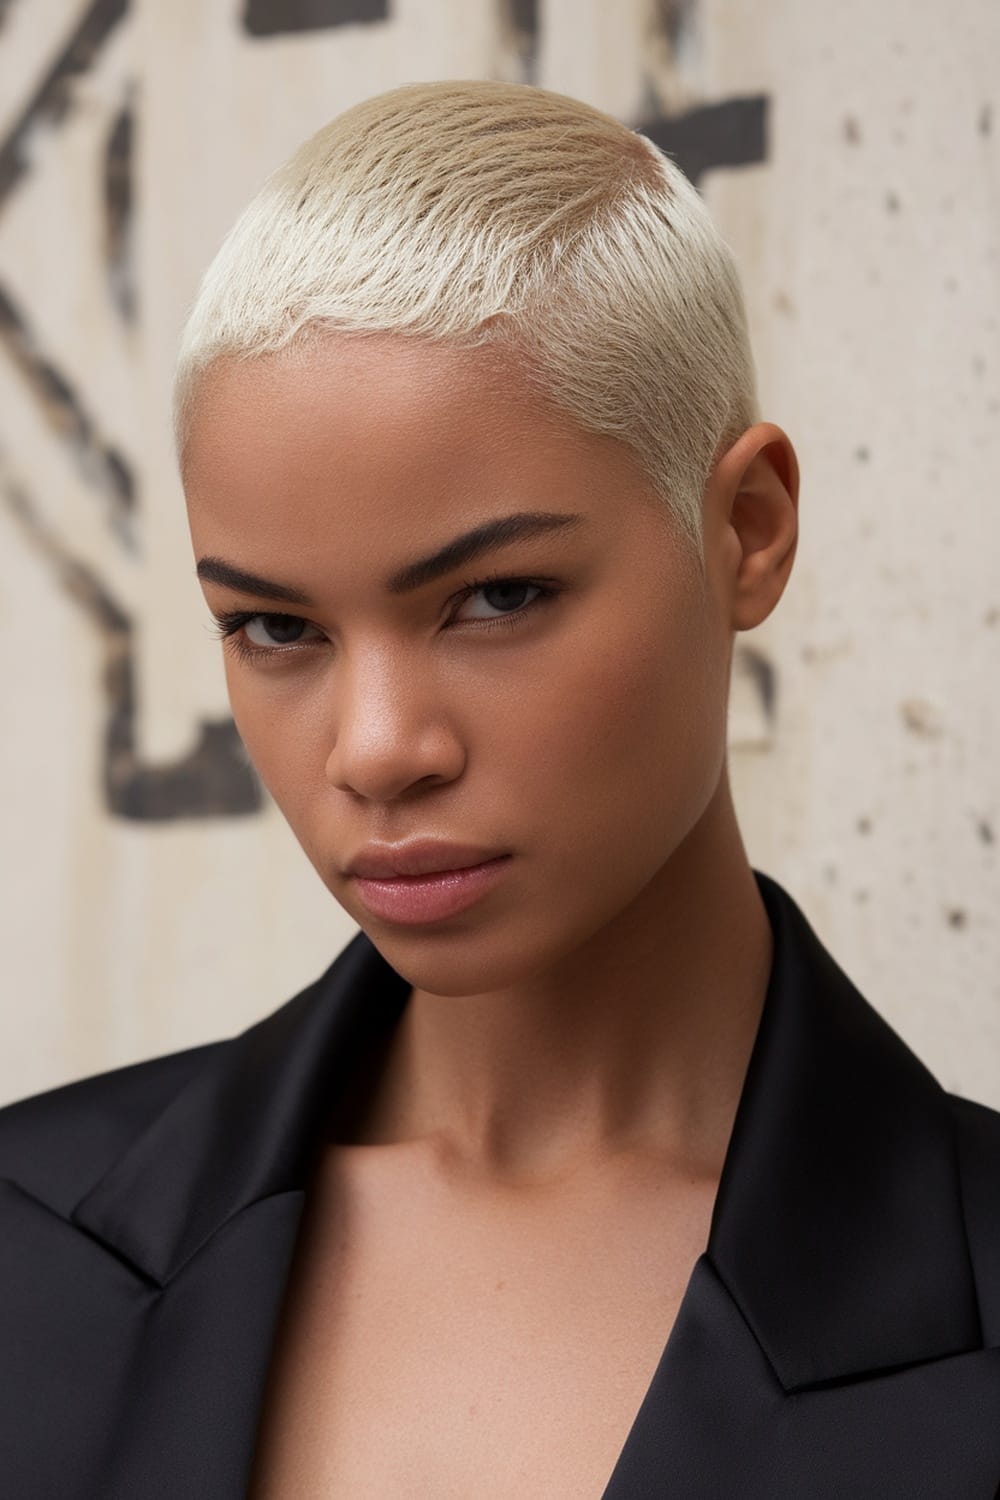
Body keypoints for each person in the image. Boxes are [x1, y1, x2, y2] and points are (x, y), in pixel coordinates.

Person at [0, 79, 998, 1500]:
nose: (378, 747)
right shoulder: (25, 1243)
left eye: (498, 596)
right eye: (276, 628)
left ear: (749, 532)